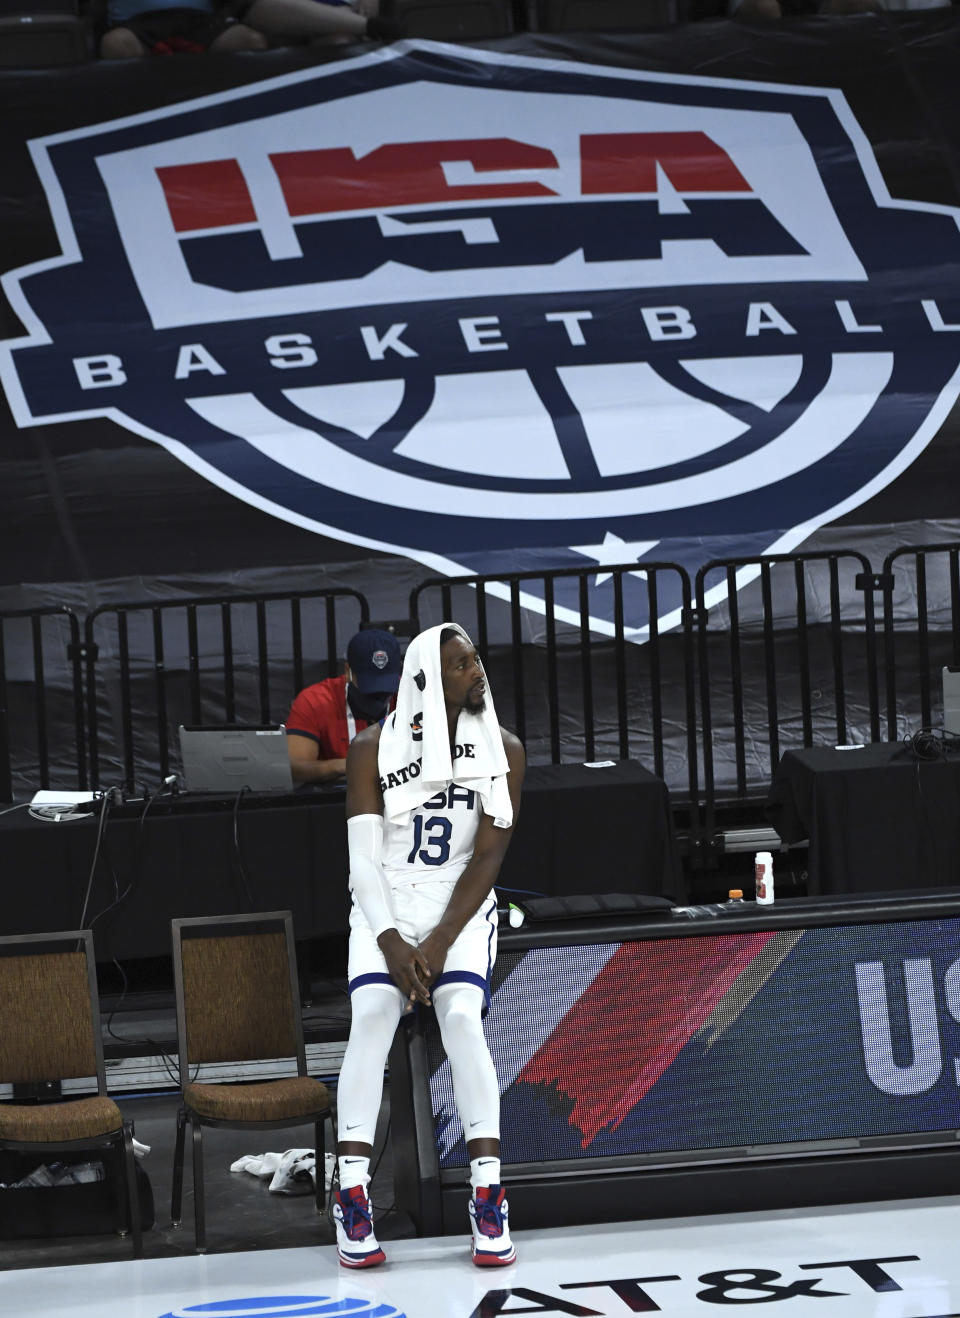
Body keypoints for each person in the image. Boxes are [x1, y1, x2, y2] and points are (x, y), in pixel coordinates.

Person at [332, 623, 525, 1269]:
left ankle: (489, 1194)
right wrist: (391, 941)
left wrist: (440, 940)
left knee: (463, 1020)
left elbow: (489, 856)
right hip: (385, 899)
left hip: (458, 906)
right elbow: (362, 862)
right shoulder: (369, 750)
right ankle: (352, 1194)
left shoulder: (505, 749)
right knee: (373, 1017)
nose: (478, 672)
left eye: (475, 659)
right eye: (461, 664)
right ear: (424, 680)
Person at [285, 628, 402, 784]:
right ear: (348, 671)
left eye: (386, 689)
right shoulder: (315, 700)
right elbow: (294, 767)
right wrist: (346, 766)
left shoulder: (413, 694)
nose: (379, 698)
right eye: (370, 689)